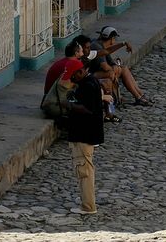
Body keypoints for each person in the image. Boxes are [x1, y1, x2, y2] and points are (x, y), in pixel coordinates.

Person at [65, 59, 103, 216]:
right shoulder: (92, 81)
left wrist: (70, 105)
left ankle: (88, 206)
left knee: (84, 171)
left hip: (83, 135)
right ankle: (87, 202)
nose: (72, 79)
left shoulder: (87, 86)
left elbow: (88, 109)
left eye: (73, 76)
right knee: (86, 168)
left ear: (80, 72)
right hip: (89, 134)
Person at [90, 26, 153, 106]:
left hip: (98, 72)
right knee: (118, 70)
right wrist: (114, 69)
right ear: (112, 39)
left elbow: (111, 61)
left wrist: (116, 66)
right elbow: (105, 66)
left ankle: (140, 95)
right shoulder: (96, 46)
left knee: (123, 68)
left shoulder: (101, 45)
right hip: (92, 74)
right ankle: (138, 97)